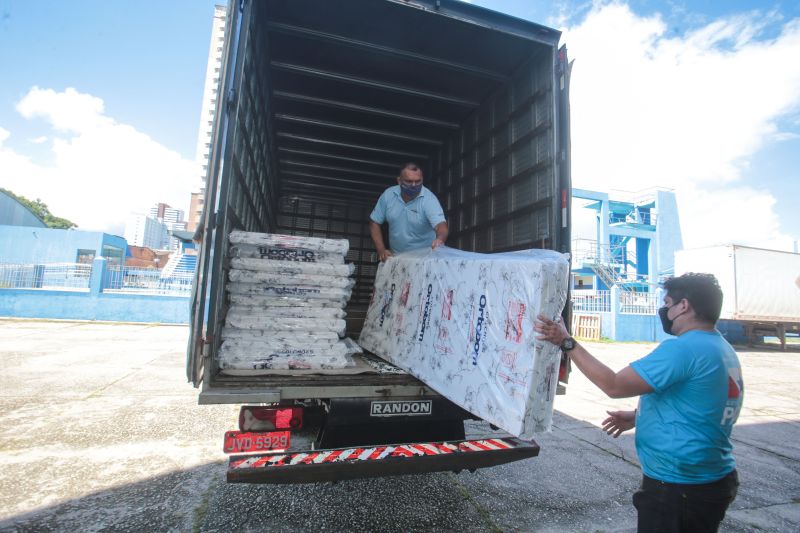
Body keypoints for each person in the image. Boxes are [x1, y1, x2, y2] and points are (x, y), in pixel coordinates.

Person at [534, 273, 743, 533]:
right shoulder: (721, 347)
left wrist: (566, 342)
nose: (664, 309)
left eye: (667, 303)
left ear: (684, 306)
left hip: (679, 489)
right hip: (709, 480)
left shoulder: (683, 349)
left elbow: (614, 385)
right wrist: (638, 415)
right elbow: (704, 403)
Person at [369, 162, 448, 261]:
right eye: (409, 181)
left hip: (424, 260)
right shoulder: (388, 196)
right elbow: (374, 222)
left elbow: (441, 225)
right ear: (399, 181)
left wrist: (440, 239)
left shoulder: (429, 200)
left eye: (418, 181)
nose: (414, 185)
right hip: (396, 258)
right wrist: (381, 250)